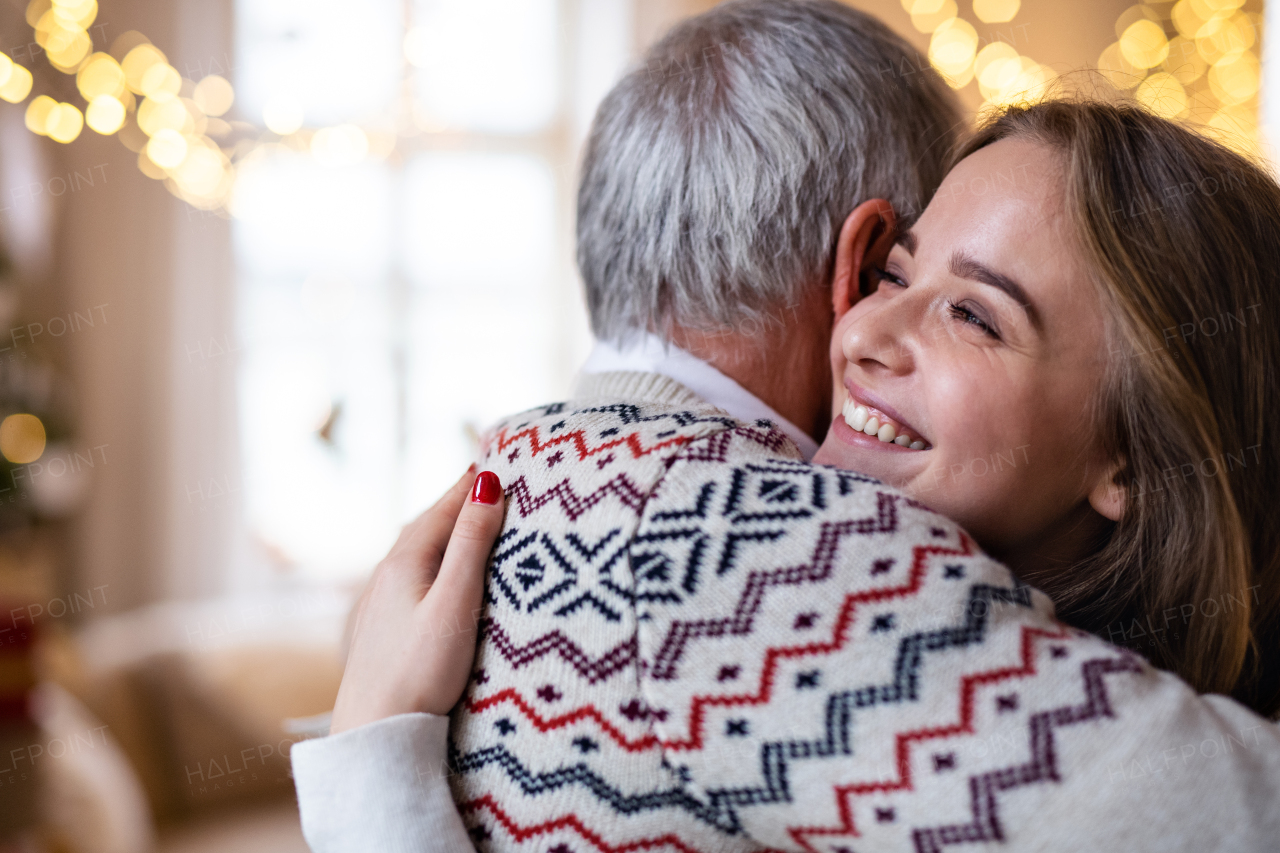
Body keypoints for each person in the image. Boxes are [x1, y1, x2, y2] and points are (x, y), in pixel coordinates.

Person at [293, 12, 1280, 853]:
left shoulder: (516, 489)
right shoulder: (756, 553)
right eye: (896, 274)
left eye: (974, 314)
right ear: (854, 262)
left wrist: (367, 780)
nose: (865, 335)